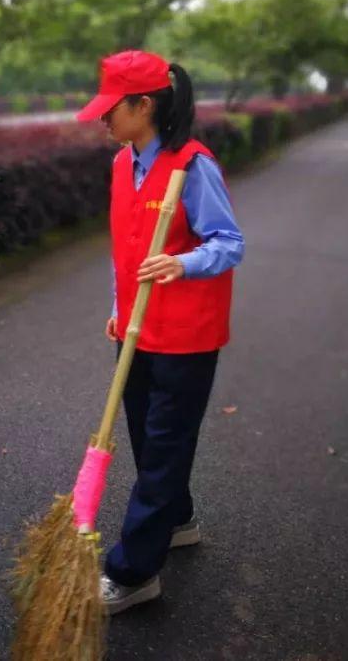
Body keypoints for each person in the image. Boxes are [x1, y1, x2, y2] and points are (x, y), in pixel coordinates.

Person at [77, 50, 245, 615]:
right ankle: (177, 520)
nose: (103, 120)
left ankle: (134, 573)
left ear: (143, 105)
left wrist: (183, 263)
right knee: (150, 442)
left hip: (186, 334)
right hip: (135, 327)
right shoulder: (124, 164)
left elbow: (228, 242)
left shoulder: (192, 166)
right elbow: (124, 246)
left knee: (166, 446)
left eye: (111, 110)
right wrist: (117, 304)